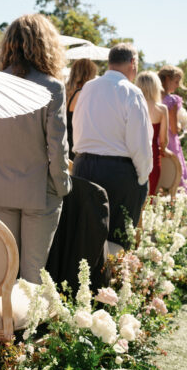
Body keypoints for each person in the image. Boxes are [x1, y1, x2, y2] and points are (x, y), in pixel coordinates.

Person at [0, 14, 71, 284]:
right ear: (45, 43)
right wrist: (62, 186)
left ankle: (6, 324)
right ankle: (31, 325)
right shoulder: (53, 86)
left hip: (4, 187)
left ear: (8, 45)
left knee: (6, 269)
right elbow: (57, 146)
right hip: (41, 190)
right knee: (34, 273)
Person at [72, 43, 153, 246]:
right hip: (118, 173)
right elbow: (140, 142)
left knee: (84, 236)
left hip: (83, 168)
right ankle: (113, 277)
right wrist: (143, 179)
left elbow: (77, 127)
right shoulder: (131, 92)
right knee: (117, 238)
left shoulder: (87, 88)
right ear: (133, 63)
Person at [135, 71, 169, 195]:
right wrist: (163, 149)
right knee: (149, 197)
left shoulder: (133, 105)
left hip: (133, 155)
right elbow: (163, 139)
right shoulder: (161, 109)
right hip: (153, 156)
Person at [158, 65, 187, 190]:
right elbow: (174, 129)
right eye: (176, 82)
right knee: (174, 178)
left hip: (155, 141)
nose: (177, 86)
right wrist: (179, 126)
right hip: (170, 143)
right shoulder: (172, 101)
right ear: (167, 79)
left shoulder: (151, 96)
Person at [66, 59, 98, 160]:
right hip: (77, 151)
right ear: (87, 75)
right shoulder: (81, 94)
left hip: (66, 146)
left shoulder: (65, 91)